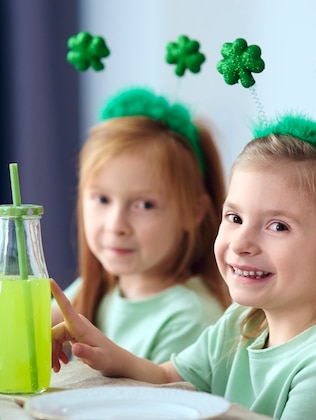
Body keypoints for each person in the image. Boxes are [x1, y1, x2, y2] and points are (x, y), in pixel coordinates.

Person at [51, 114, 316, 419]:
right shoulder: (242, 322)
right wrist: (108, 353)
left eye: (278, 226)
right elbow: (167, 377)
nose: (241, 243)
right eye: (234, 217)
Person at [52, 87, 232, 364]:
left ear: (193, 213)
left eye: (144, 205)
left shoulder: (189, 319)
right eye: (102, 199)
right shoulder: (96, 287)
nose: (116, 225)